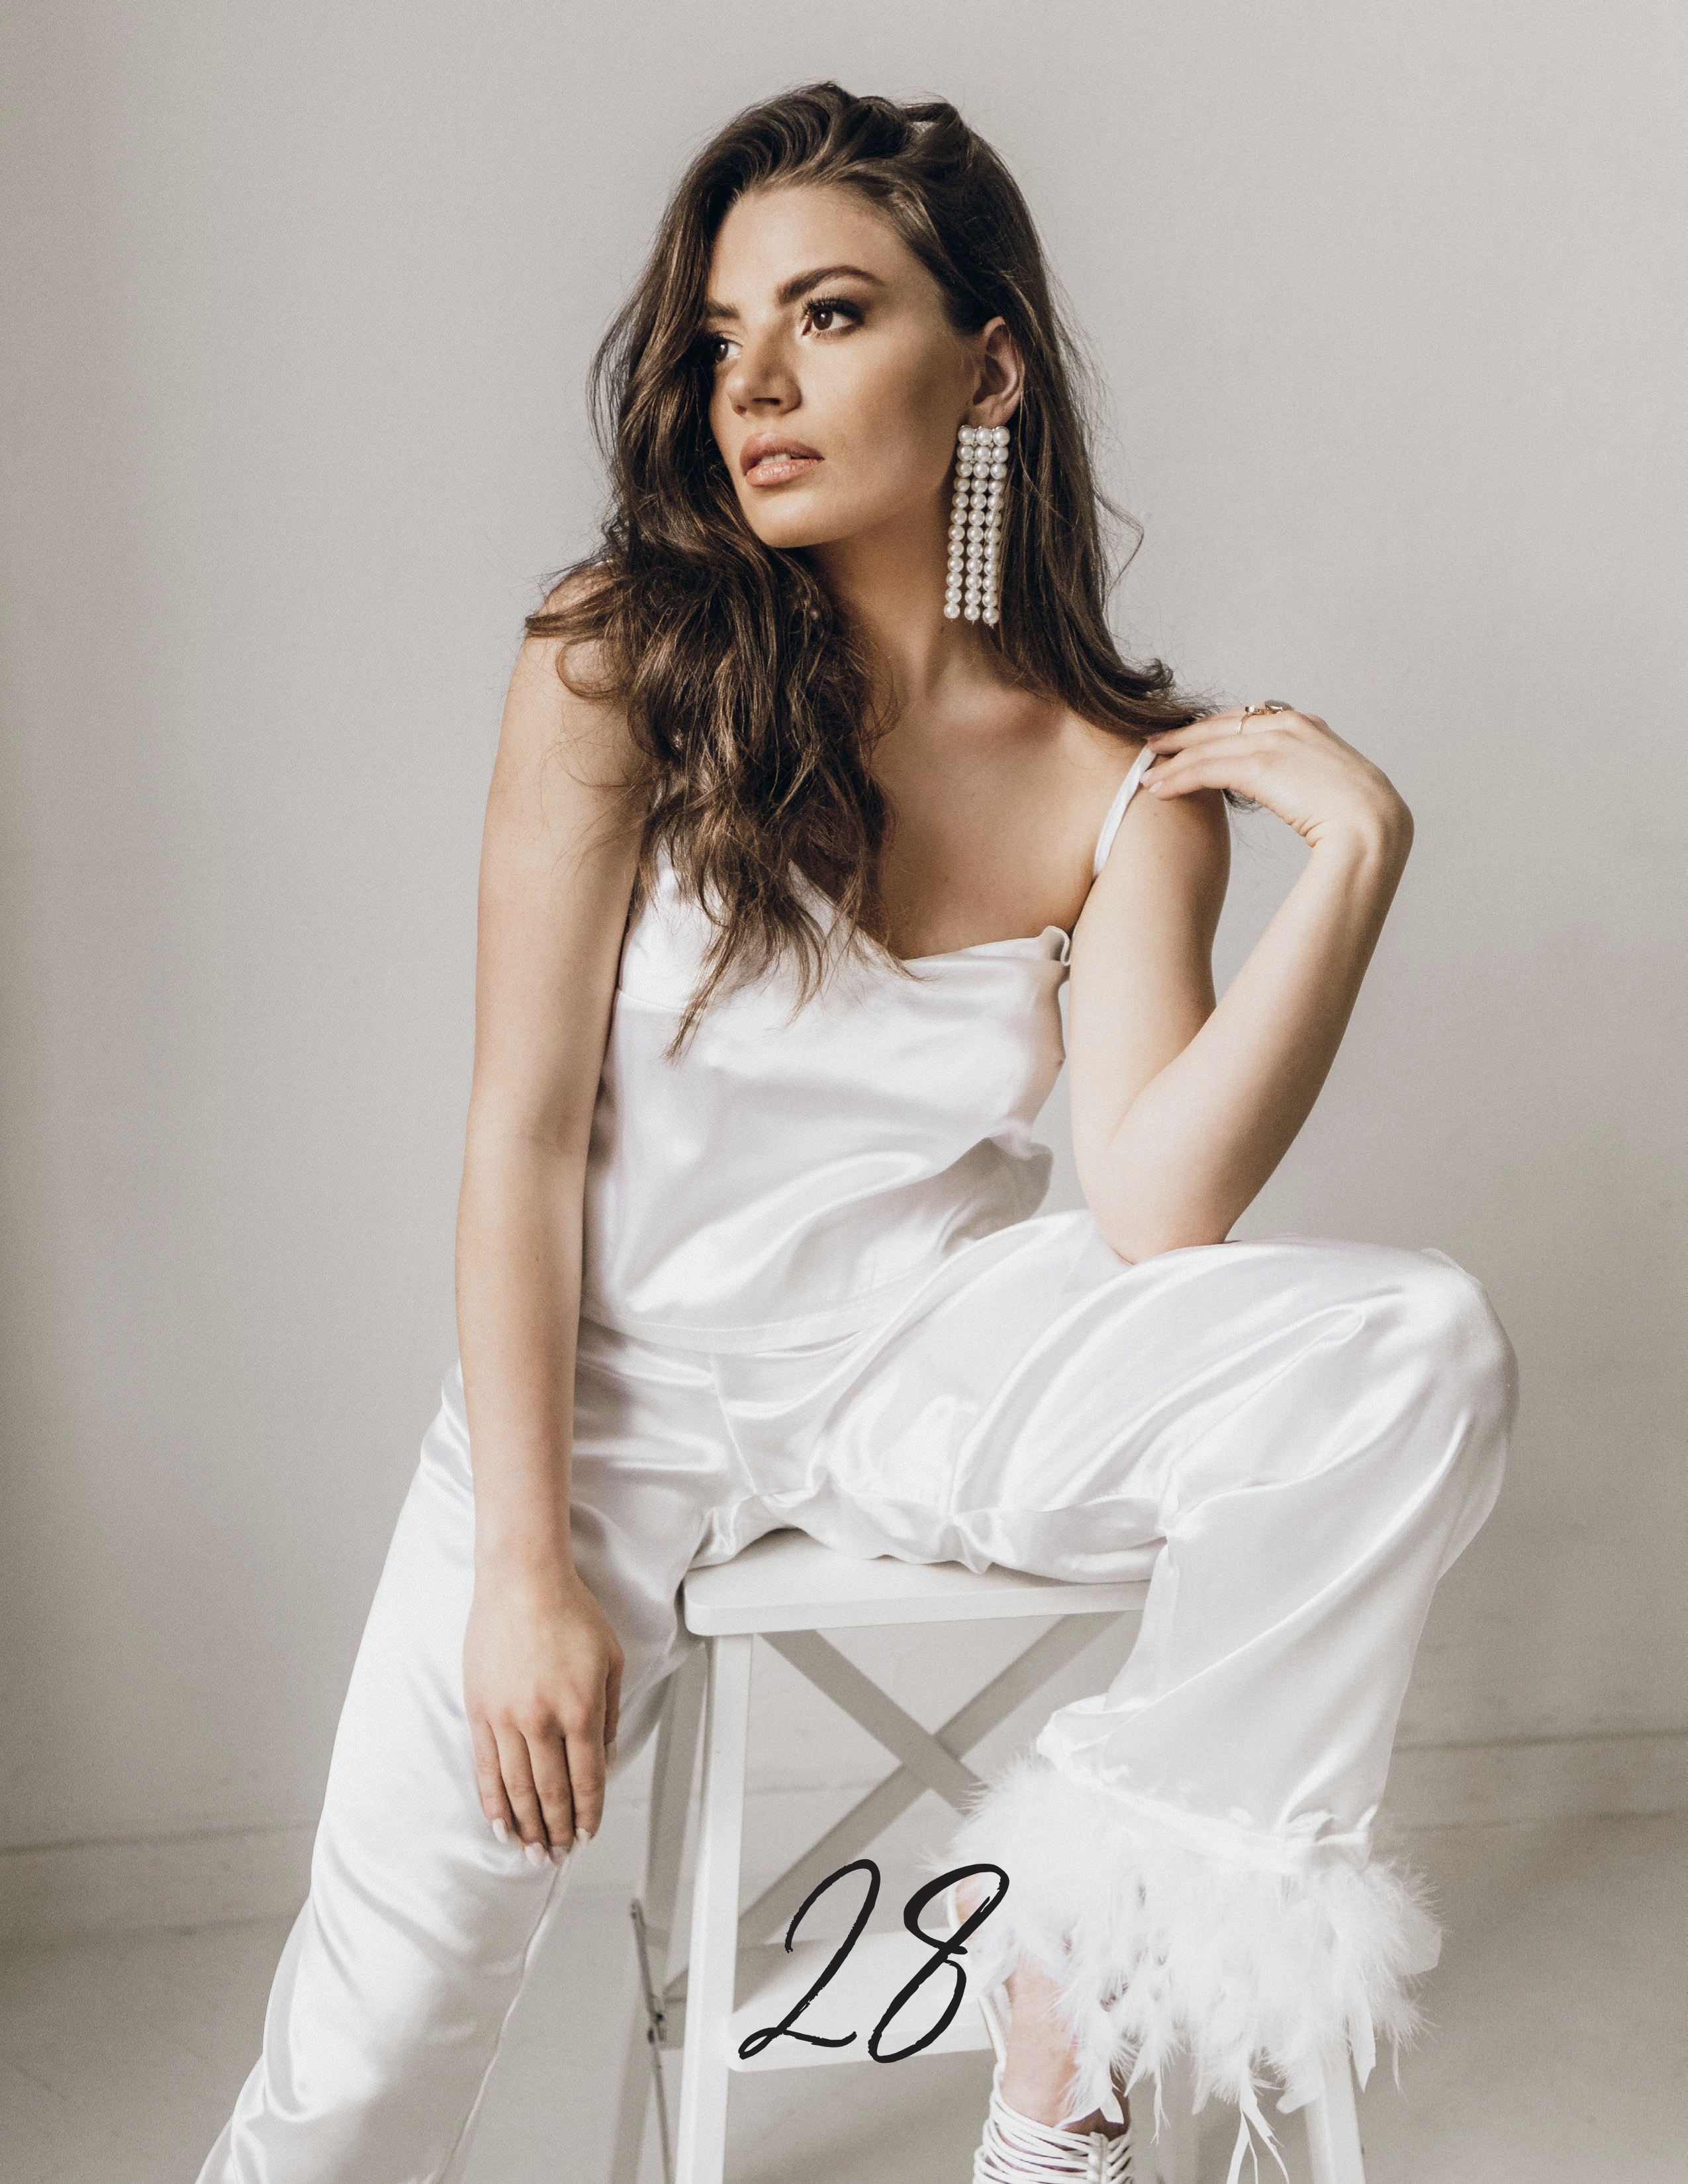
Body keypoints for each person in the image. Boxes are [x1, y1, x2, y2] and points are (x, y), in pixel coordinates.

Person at [197, 81, 1517, 2184]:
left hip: (916, 1358)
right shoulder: (617, 665)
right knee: (362, 2065)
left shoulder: (1114, 777)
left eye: (829, 315)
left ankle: (1074, 1997)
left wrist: (1354, 864)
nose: (756, 386)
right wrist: (524, 1567)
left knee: (1413, 1346)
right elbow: (520, 1136)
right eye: (725, 336)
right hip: (604, 1396)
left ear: (988, 370)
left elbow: (1159, 1205)